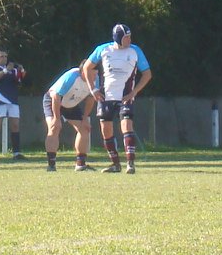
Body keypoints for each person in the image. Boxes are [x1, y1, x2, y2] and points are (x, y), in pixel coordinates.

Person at [83, 24, 152, 173]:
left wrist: (134, 92)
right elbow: (87, 67)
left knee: (126, 126)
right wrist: (93, 89)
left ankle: (130, 163)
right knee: (106, 130)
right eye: (126, 37)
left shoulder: (135, 51)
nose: (129, 40)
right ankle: (115, 164)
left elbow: (147, 74)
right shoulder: (102, 49)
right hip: (105, 97)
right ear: (118, 38)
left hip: (125, 97)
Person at [42, 63, 97, 171]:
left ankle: (81, 164)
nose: (94, 78)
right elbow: (56, 96)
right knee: (54, 128)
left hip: (70, 104)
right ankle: (51, 164)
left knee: (85, 129)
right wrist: (57, 119)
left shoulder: (96, 80)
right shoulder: (72, 76)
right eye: (91, 74)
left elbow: (91, 98)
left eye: (95, 75)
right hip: (53, 101)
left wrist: (85, 118)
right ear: (83, 72)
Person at [0, 50, 28, 160]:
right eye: (1, 56)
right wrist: (5, 70)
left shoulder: (13, 70)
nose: (4, 58)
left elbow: (19, 80)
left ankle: (17, 153)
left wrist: (22, 72)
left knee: (15, 125)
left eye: (5, 56)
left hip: (13, 101)